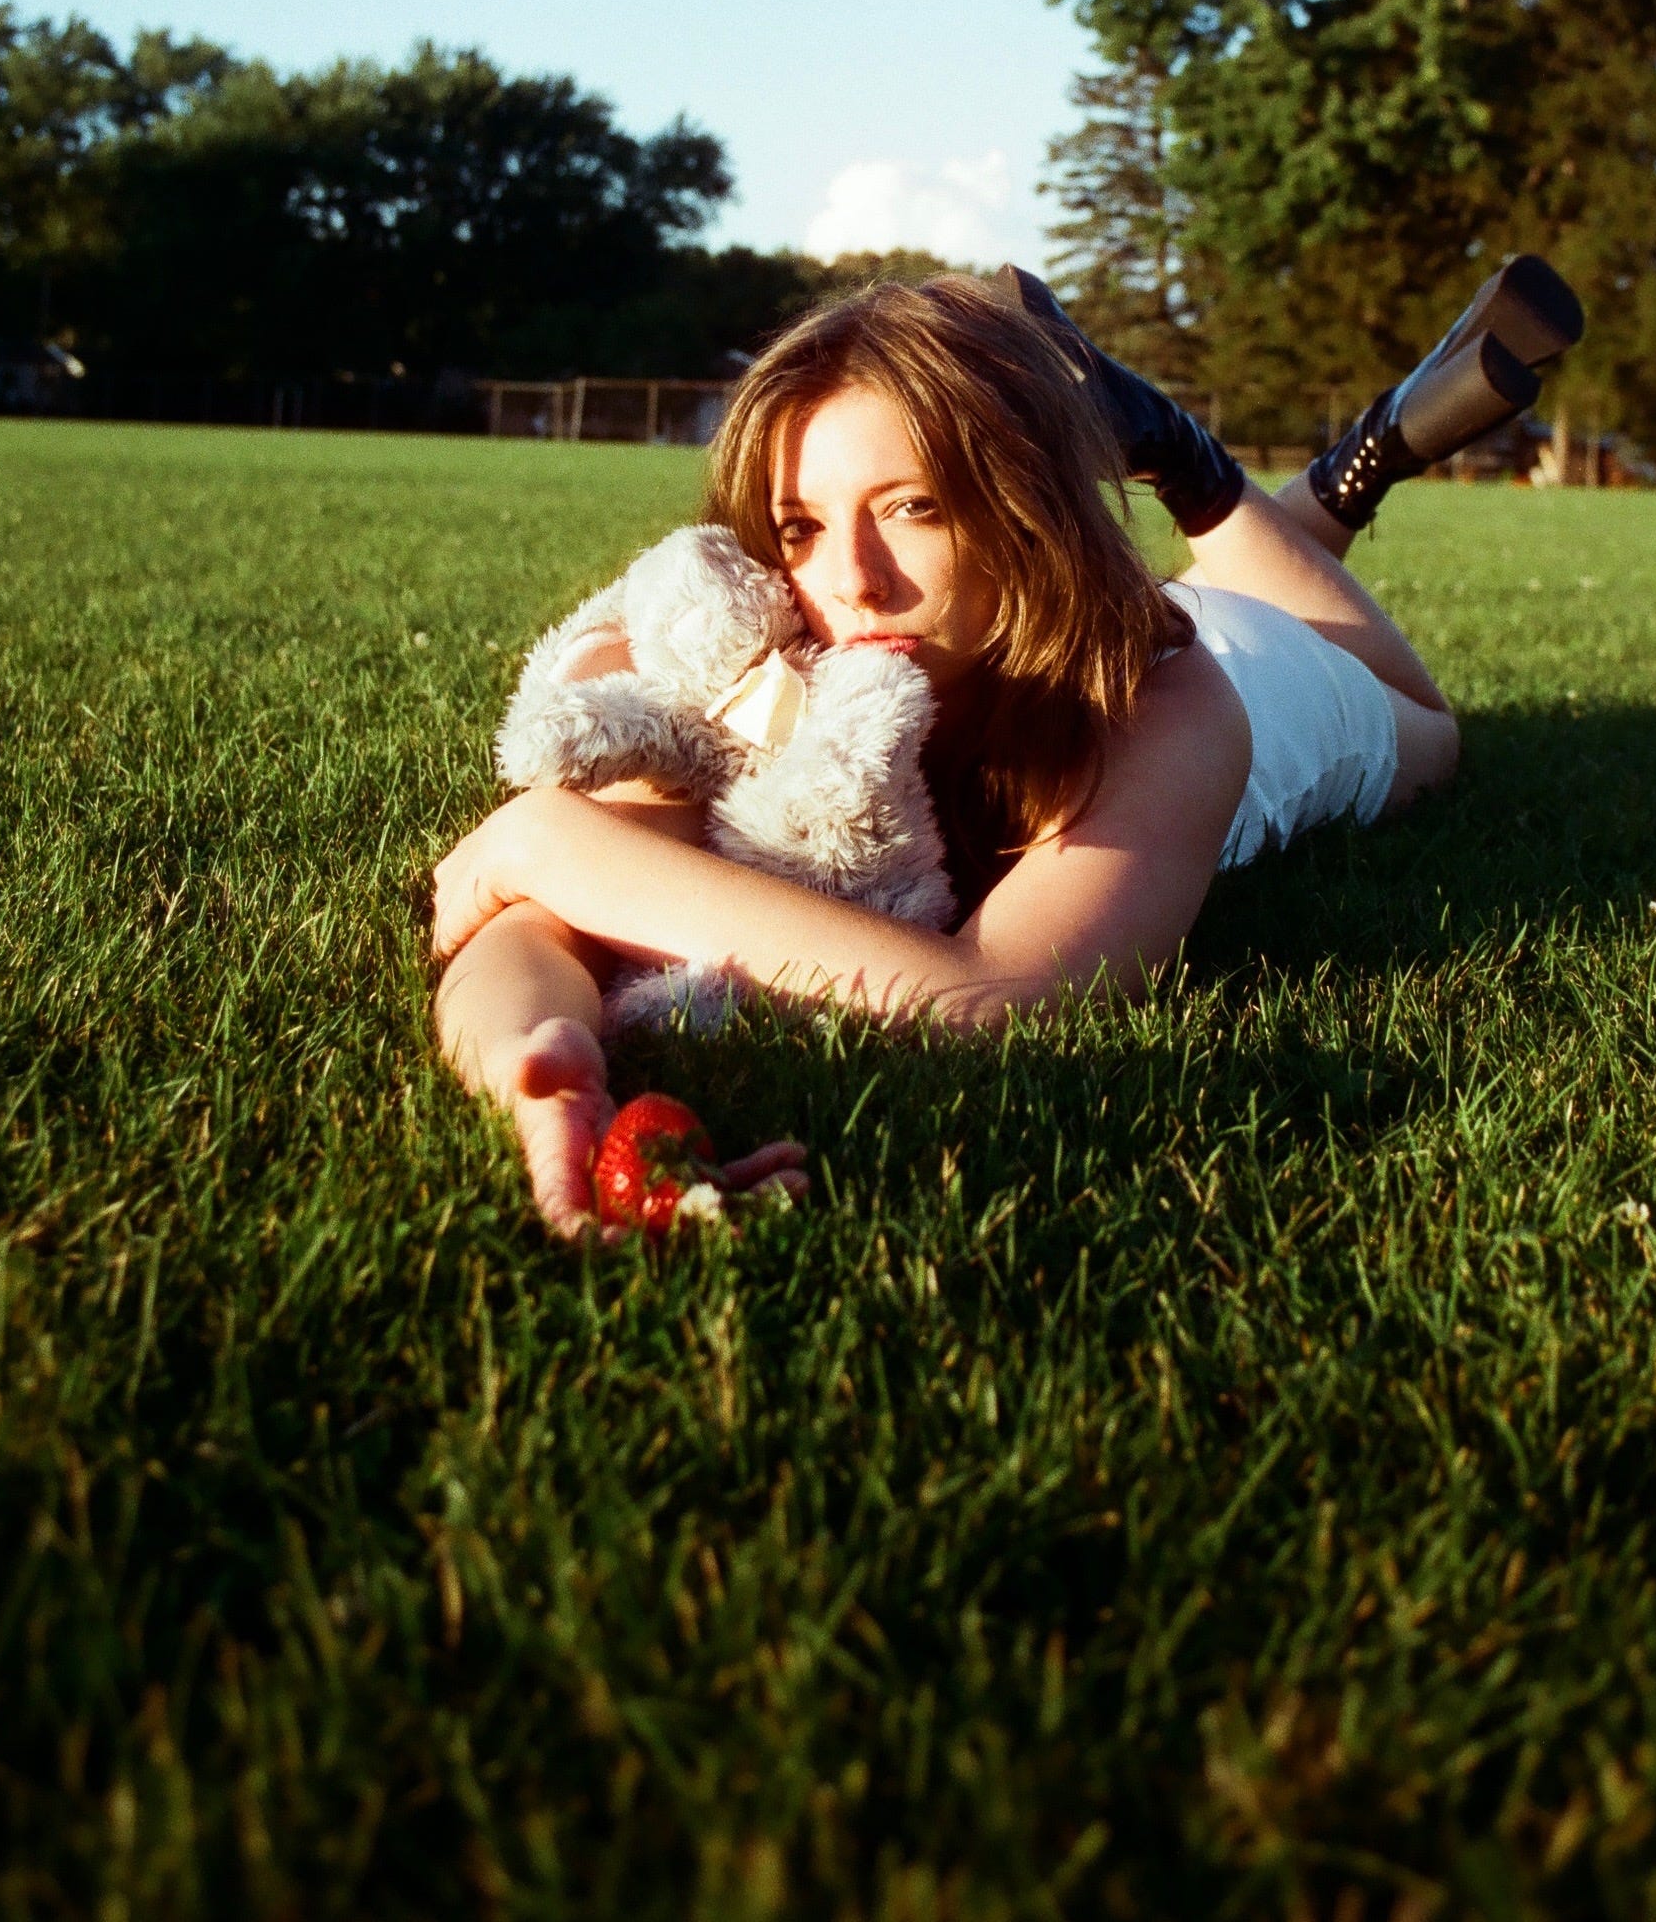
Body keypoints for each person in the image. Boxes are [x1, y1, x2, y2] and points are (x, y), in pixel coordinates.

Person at [433, 259, 1582, 1233]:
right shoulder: (754, 644)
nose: (851, 580)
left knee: (1423, 725)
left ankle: (1212, 451)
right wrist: (536, 1063)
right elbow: (540, 926)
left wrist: (545, 840)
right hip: (1055, 613)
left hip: (1261, 679)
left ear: (1019, 503)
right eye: (801, 524)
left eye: (913, 506)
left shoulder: (1176, 706)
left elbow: (995, 998)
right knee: (1175, 587)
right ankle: (1189, 447)